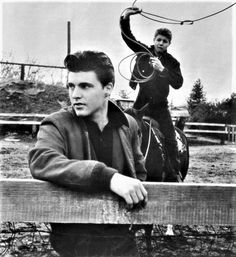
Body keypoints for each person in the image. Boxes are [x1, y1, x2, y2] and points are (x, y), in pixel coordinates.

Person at [28, 50, 148, 257]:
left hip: (122, 243)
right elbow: (42, 160)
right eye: (71, 86)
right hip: (73, 246)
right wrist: (108, 178)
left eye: (85, 86)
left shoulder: (128, 124)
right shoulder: (56, 123)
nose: (75, 94)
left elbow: (140, 172)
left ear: (107, 88)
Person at [120, 7, 184, 181]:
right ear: (154, 40)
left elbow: (178, 83)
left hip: (160, 108)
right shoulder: (144, 53)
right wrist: (125, 17)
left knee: (170, 139)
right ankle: (121, 165)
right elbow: (128, 37)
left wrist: (162, 70)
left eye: (165, 41)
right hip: (140, 105)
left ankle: (175, 172)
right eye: (158, 39)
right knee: (124, 130)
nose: (161, 43)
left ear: (169, 44)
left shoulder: (172, 62)